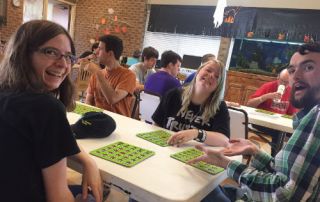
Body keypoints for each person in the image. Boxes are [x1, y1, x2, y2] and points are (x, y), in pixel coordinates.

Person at [189, 42, 320, 202]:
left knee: (197, 191)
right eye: (292, 70)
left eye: (308, 67)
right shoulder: (309, 115)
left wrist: (226, 164)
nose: (296, 76)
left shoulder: (317, 118)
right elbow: (285, 177)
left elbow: (285, 195)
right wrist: (255, 151)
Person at [0, 20, 102, 202]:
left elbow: (47, 140)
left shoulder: (7, 95)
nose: (63, 64)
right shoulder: (45, 107)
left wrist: (87, 160)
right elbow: (58, 198)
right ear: (24, 53)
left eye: (68, 56)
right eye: (50, 52)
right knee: (93, 195)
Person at [152, 60, 230, 147]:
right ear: (198, 71)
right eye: (208, 70)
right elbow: (156, 124)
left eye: (217, 76)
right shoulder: (173, 94)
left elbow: (224, 140)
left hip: (194, 155)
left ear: (218, 86)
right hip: (167, 147)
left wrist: (195, 133)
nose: (211, 75)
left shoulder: (219, 106)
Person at [247, 68, 298, 155]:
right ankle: (274, 159)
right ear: (278, 77)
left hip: (279, 124)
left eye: (287, 82)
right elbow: (249, 104)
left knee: (295, 135)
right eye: (282, 81)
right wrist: (265, 97)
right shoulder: (268, 86)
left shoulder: (291, 92)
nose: (283, 84)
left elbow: (291, 114)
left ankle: (283, 159)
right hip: (262, 122)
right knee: (278, 133)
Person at [85, 35, 136, 117]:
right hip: (97, 120)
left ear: (110, 53)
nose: (95, 52)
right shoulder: (96, 74)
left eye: (100, 49)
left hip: (118, 122)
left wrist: (97, 72)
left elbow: (112, 99)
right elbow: (88, 101)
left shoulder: (128, 75)